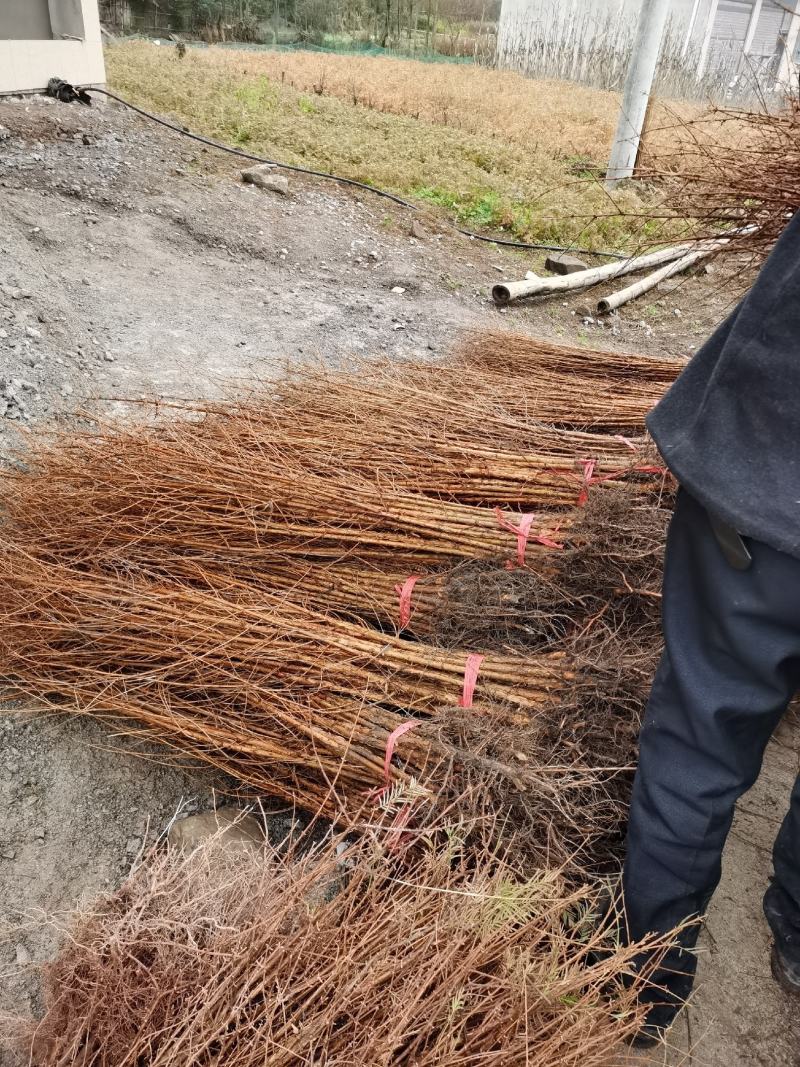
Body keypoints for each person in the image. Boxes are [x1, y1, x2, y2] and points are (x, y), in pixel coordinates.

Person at [622, 210, 800, 1048]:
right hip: (768, 478)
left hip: (768, 477)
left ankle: (647, 982)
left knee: (702, 738)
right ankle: (797, 930)